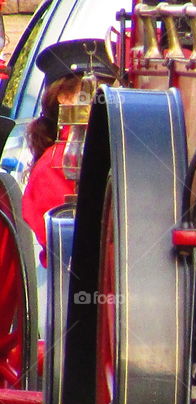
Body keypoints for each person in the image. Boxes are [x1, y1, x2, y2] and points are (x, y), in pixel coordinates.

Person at [21, 38, 116, 265]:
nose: (99, 102)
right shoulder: (53, 165)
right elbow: (70, 247)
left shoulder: (124, 151)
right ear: (63, 97)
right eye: (89, 93)